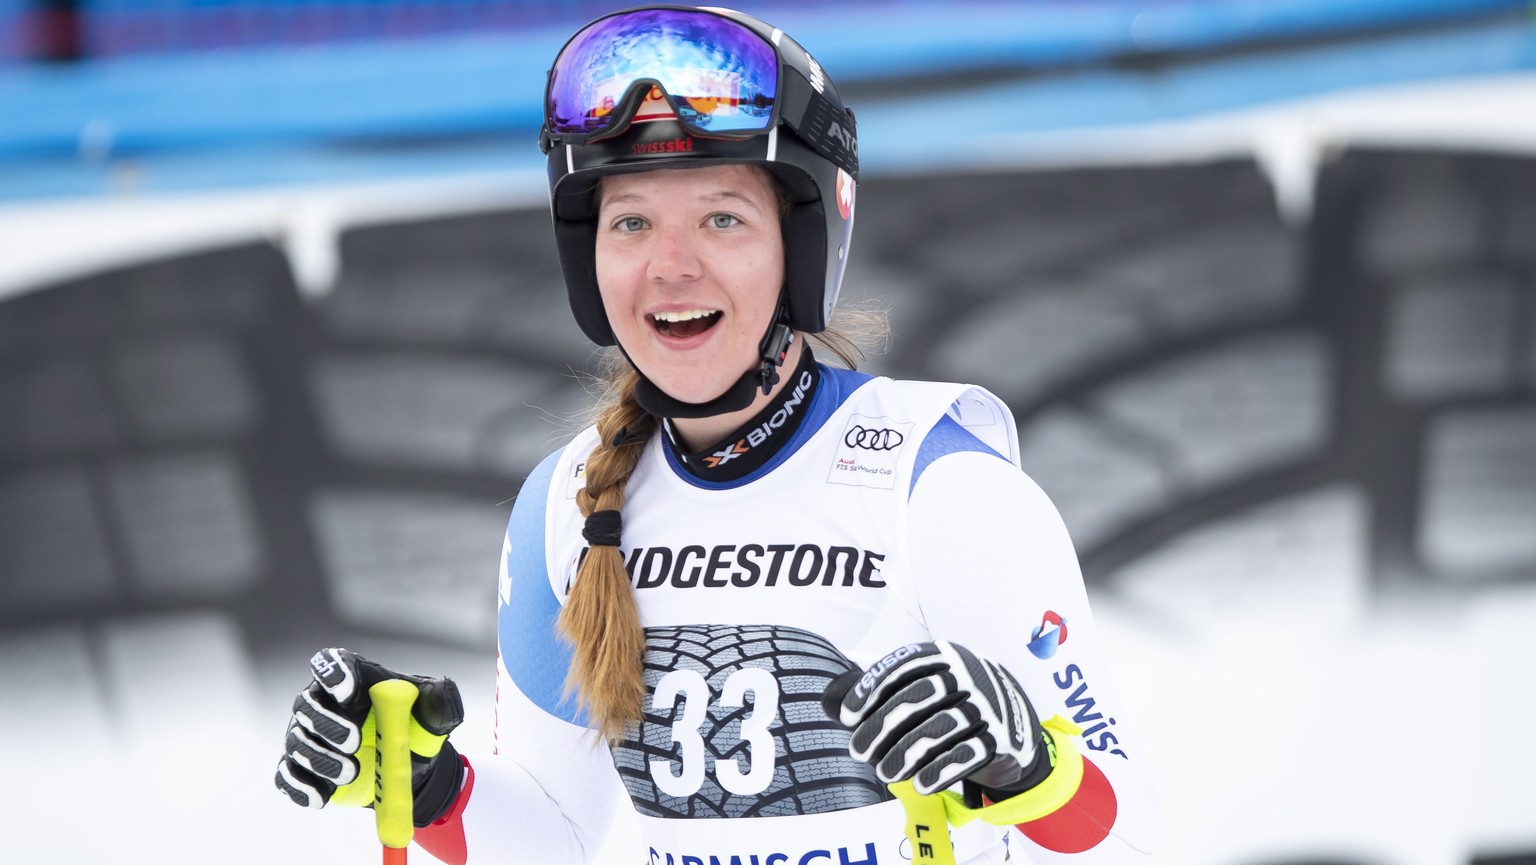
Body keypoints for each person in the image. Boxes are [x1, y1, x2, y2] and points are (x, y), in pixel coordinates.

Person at [274, 6, 1157, 864]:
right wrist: (428, 786)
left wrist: (1033, 771)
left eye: (722, 218)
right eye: (631, 223)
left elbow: (1122, 836)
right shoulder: (566, 502)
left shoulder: (939, 487)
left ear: (802, 247)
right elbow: (552, 836)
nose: (670, 265)